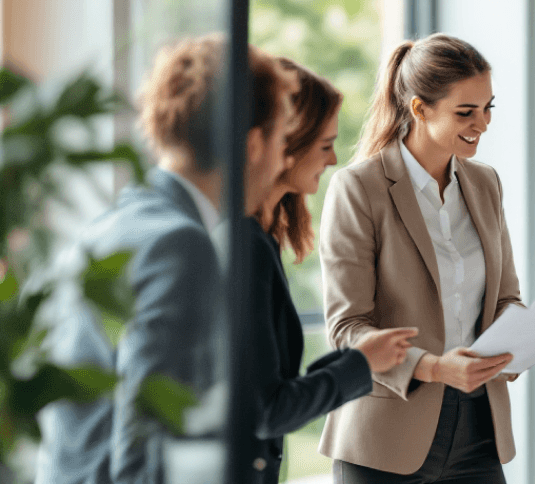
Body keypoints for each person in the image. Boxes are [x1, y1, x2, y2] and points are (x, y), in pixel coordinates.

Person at [34, 35, 408, 484]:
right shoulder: (181, 244)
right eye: (278, 139)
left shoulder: (115, 222)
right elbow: (150, 442)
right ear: (253, 145)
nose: (279, 160)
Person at [318, 33, 522, 484]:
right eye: (465, 112)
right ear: (419, 108)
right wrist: (433, 367)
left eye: (488, 107)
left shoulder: (485, 184)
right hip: (384, 437)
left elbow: (506, 297)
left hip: (478, 429)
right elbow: (347, 329)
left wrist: (519, 339)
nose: (482, 123)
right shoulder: (359, 189)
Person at [246, 56, 418, 483]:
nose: (333, 158)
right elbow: (267, 410)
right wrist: (359, 363)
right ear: (283, 146)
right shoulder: (244, 246)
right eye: (324, 145)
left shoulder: (266, 237)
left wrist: (362, 361)